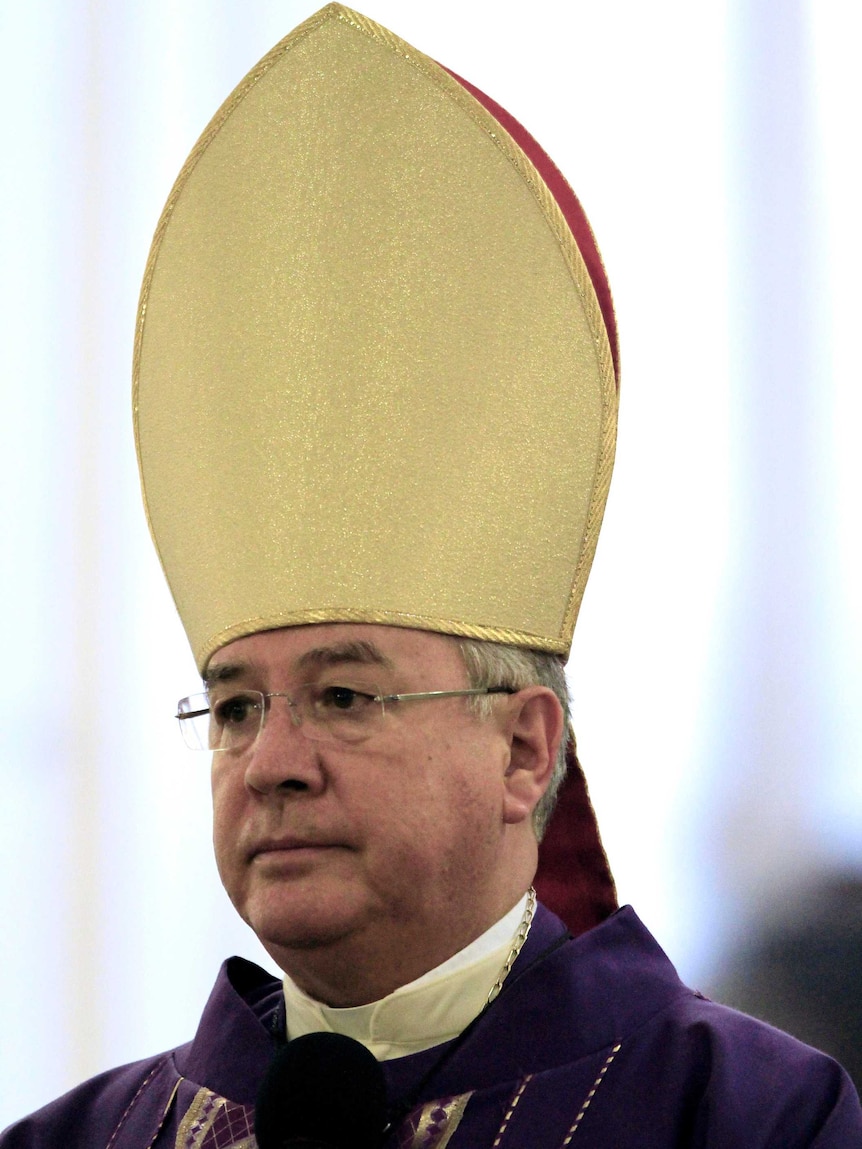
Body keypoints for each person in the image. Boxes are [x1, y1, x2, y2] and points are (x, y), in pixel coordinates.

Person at [3, 4, 860, 1146]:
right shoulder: (85, 1136)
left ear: (523, 748)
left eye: (344, 696)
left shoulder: (744, 1114)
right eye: (233, 706)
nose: (270, 765)